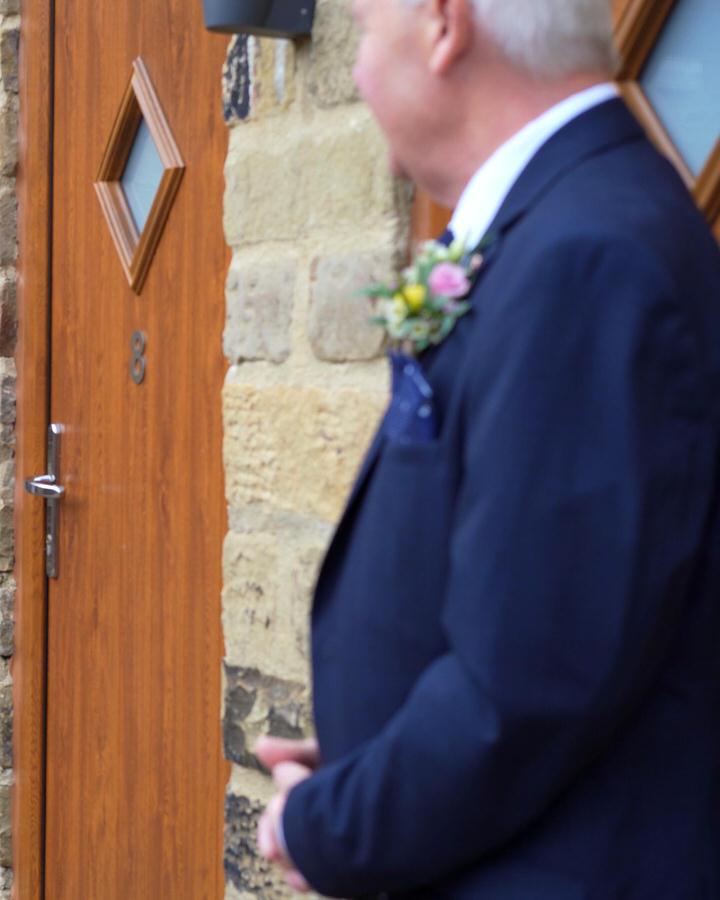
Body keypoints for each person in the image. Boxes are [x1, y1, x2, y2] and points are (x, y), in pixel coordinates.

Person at [257, 0, 720, 895]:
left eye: (360, 29)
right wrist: (370, 745)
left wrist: (325, 827)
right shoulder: (557, 226)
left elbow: (532, 685)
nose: (354, 72)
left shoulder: (590, 259)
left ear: (441, 23)